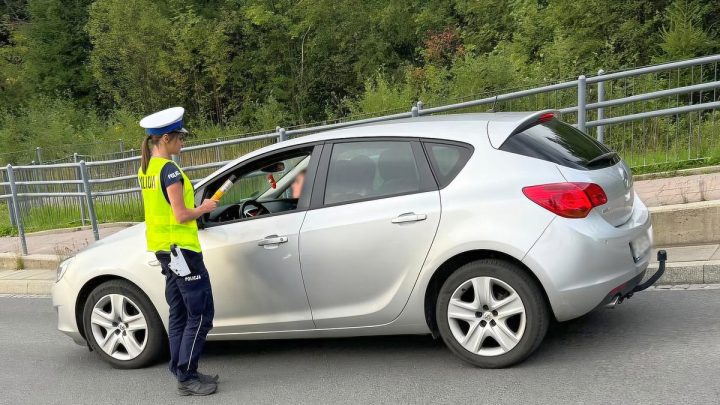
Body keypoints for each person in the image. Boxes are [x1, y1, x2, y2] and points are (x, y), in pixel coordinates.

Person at [137, 107, 220, 396]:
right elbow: (182, 214)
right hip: (182, 251)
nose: (183, 143)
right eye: (180, 139)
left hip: (165, 250)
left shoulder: (147, 168)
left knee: (179, 314)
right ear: (167, 139)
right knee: (200, 315)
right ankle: (186, 376)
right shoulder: (170, 169)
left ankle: (184, 370)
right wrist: (205, 208)